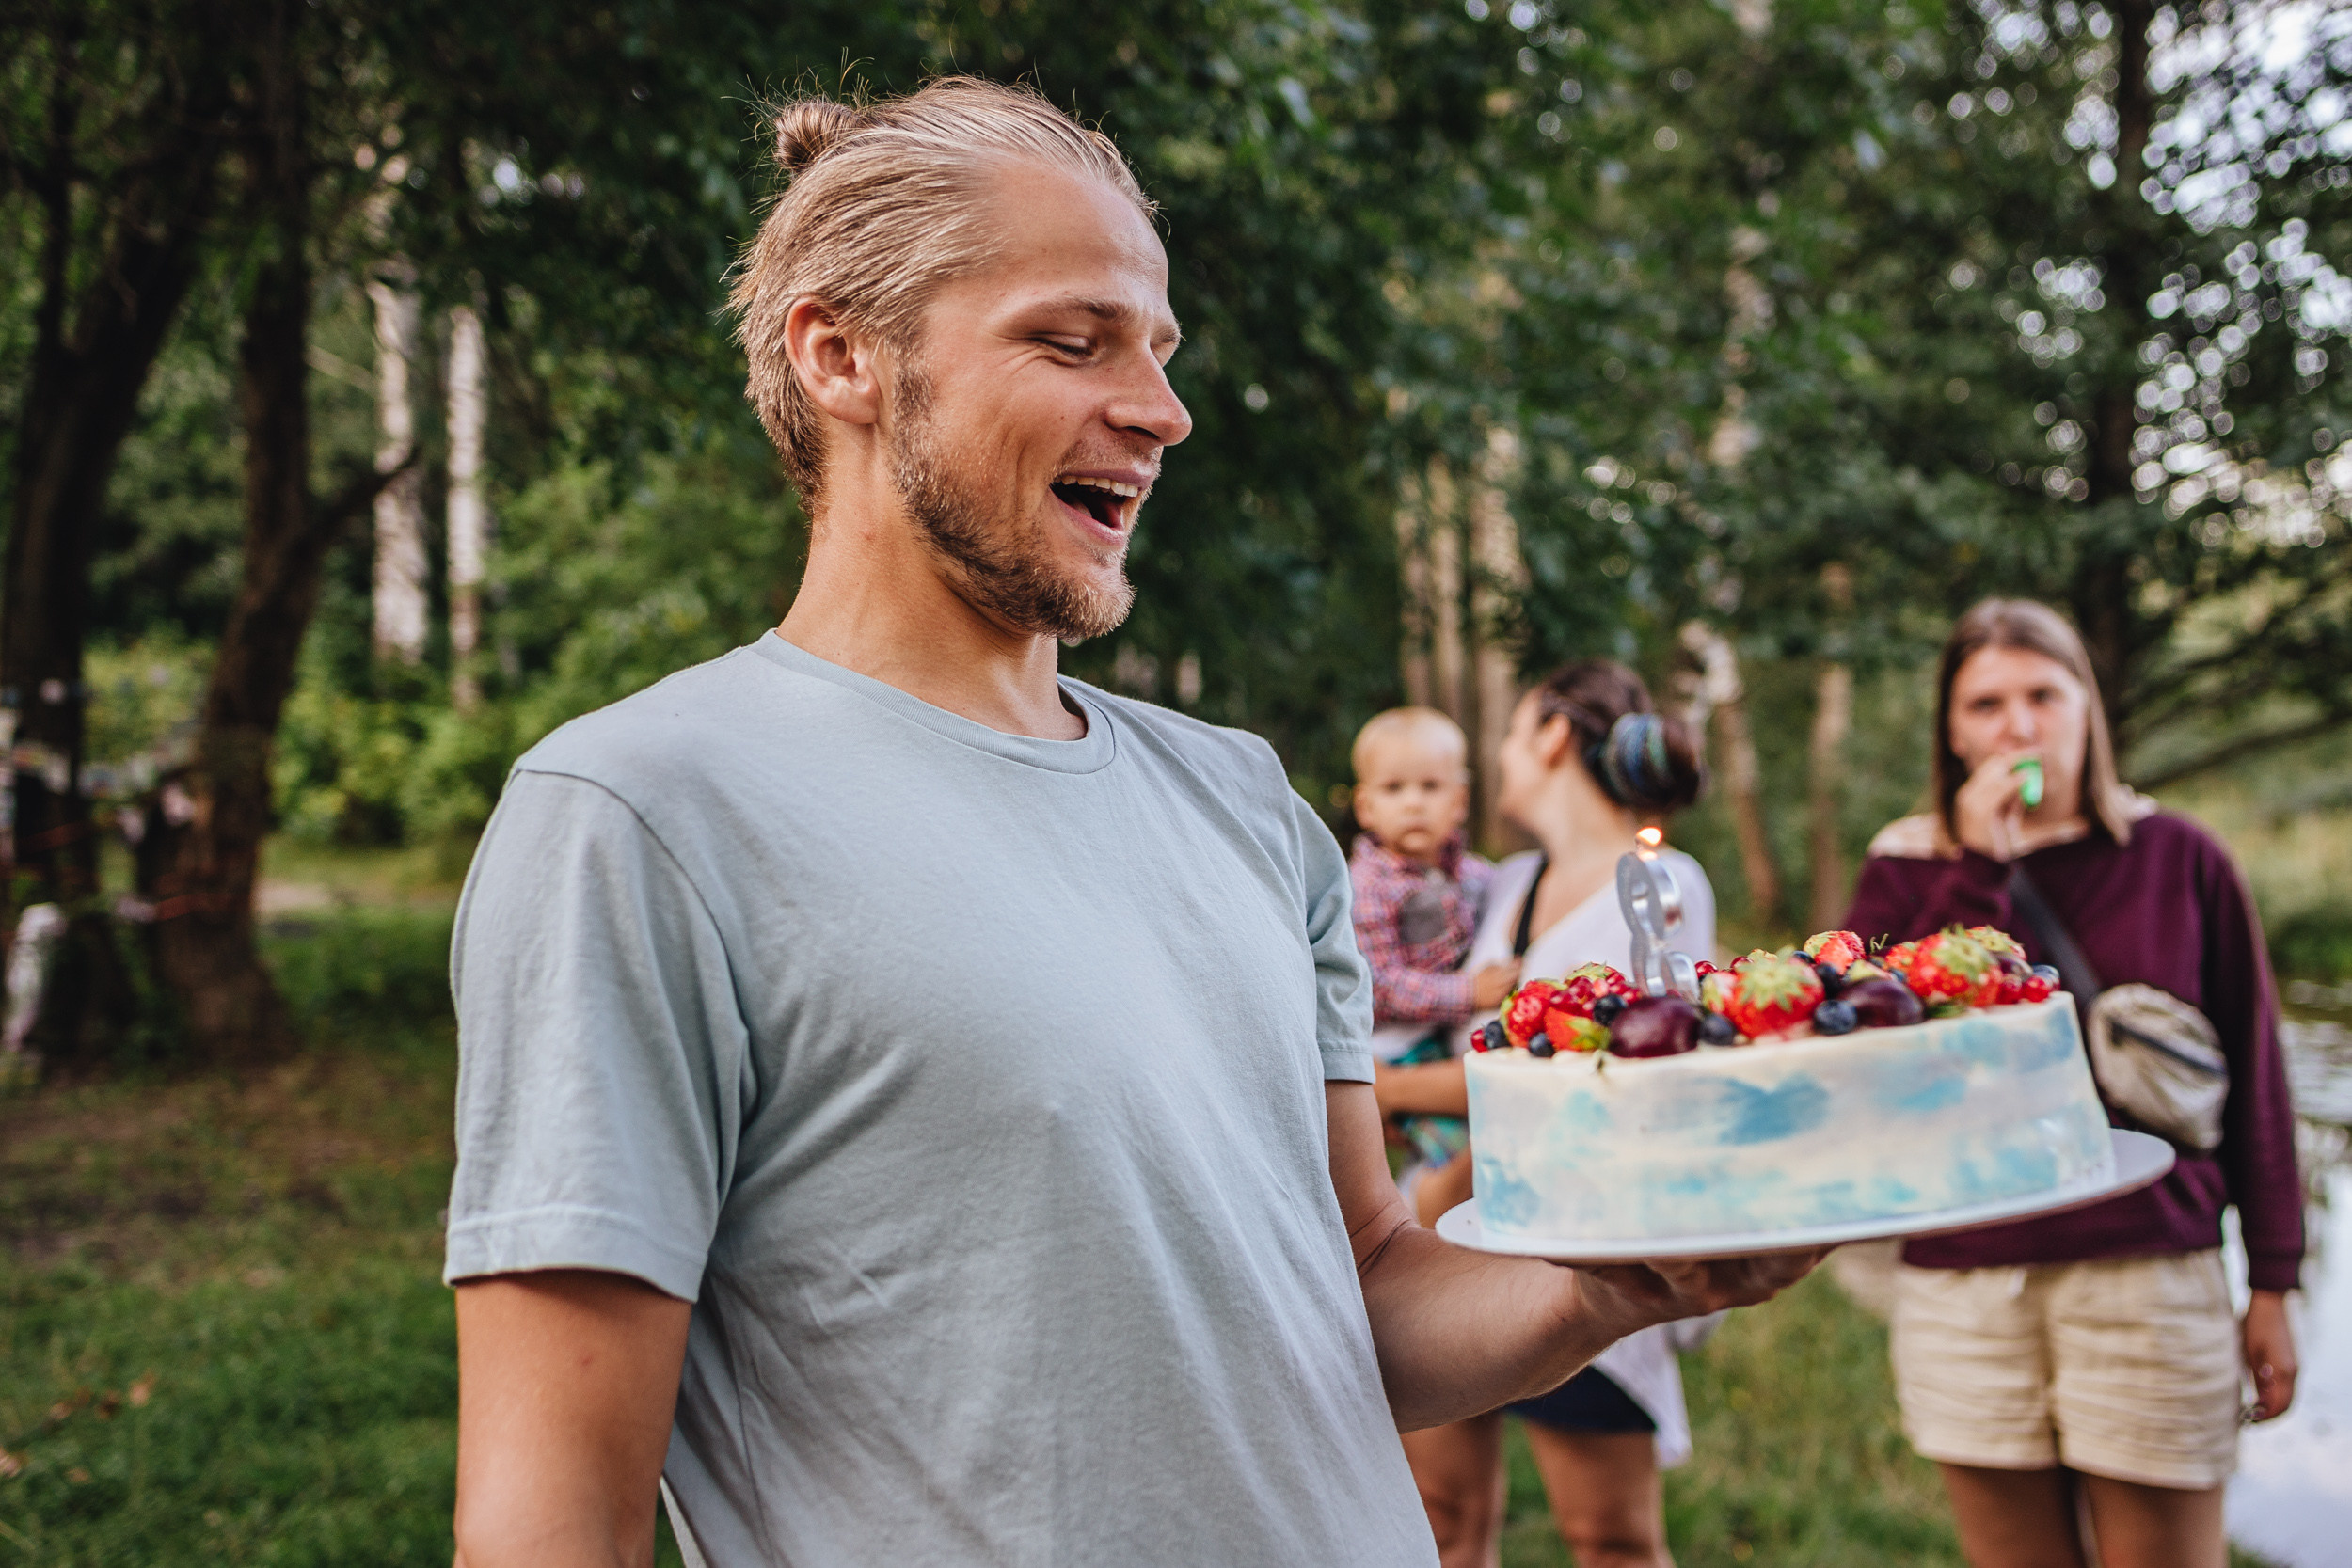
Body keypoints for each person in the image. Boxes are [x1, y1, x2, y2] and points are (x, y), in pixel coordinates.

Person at [440, 78, 1816, 1568]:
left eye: (1157, 350)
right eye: (1069, 338)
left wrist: (1605, 1284)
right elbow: (549, 1522)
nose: (1162, 412)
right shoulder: (643, 816)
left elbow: (1359, 1287)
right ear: (840, 353)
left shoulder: (1245, 802)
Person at [1843, 598, 2303, 1568]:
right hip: (1967, 1277)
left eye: (2042, 694)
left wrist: (2272, 1279)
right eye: (1985, 702)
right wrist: (1976, 867)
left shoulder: (2176, 857)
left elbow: (2256, 1075)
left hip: (2145, 1266)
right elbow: (1895, 1067)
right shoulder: (1900, 873)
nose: (2016, 725)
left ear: (2084, 708)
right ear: (1951, 728)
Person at [1380, 659, 1713, 1568]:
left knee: (1607, 1537)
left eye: (1515, 729)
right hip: (1447, 1236)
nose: (1500, 756)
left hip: (1578, 1244)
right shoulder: (1506, 881)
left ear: (1555, 736)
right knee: (1441, 1521)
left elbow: (1594, 1068)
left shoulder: (1659, 885)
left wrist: (1384, 1093)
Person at [1348, 707, 1518, 1194]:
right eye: (1394, 789)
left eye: (1430, 787)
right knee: (1459, 1158)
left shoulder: (1476, 875)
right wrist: (1468, 993)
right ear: (1365, 807)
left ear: (1459, 801)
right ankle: (1421, 1228)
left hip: (1443, 1038)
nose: (1414, 804)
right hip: (1394, 1048)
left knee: (1486, 1136)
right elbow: (1378, 983)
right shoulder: (1367, 885)